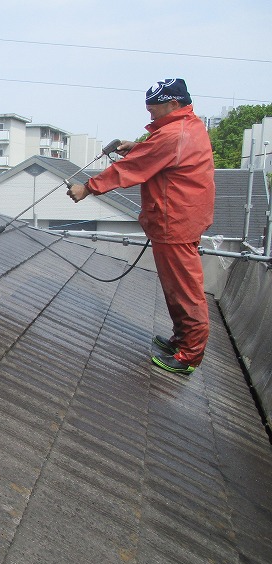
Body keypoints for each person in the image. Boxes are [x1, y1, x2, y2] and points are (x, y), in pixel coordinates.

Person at [67, 78, 215, 375]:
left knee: (185, 291)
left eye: (154, 110)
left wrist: (88, 188)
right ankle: (182, 340)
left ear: (174, 104)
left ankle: (189, 356)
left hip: (175, 222)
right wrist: (137, 146)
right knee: (175, 288)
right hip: (175, 220)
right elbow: (159, 154)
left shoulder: (175, 134)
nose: (151, 116)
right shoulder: (185, 127)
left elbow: (133, 168)